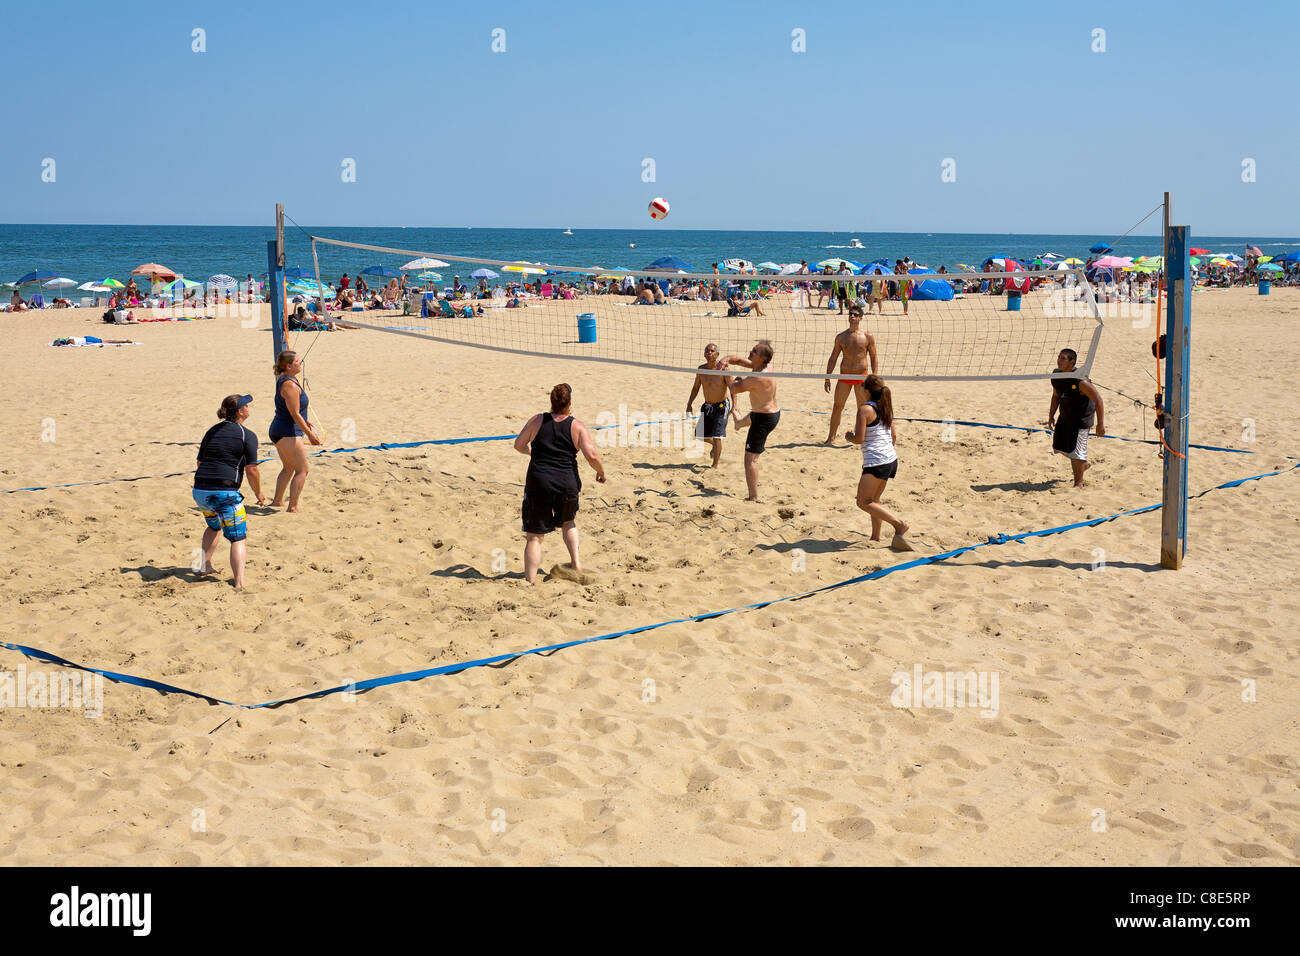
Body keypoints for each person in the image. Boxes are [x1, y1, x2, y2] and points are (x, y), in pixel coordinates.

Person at [514, 383, 606, 583]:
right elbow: (592, 456)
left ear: (551, 402)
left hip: (539, 482)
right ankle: (576, 564)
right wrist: (601, 472)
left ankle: (529, 581)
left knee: (534, 537)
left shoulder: (537, 420)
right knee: (568, 523)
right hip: (566, 482)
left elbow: (519, 445)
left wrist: (533, 452)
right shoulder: (578, 426)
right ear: (570, 404)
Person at [193, 394, 266, 588]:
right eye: (246, 405)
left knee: (214, 526)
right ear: (240, 412)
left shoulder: (212, 431)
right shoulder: (247, 435)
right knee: (238, 537)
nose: (249, 407)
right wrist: (259, 493)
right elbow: (252, 470)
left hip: (200, 490)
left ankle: (203, 567)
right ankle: (240, 581)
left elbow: (200, 462)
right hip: (224, 492)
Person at [845, 375, 912, 551]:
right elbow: (894, 436)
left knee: (863, 502)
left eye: (862, 387)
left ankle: (899, 524)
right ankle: (875, 537)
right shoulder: (885, 407)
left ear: (866, 390)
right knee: (874, 500)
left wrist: (849, 436)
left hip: (877, 462)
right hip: (891, 459)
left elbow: (859, 439)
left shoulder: (864, 410)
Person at [723, 341, 780, 502]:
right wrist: (725, 360)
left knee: (750, 459)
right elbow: (739, 360)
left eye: (754, 351)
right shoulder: (761, 366)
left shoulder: (757, 376)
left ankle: (753, 497)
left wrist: (729, 375)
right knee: (748, 419)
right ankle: (739, 423)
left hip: (764, 419)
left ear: (762, 358)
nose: (751, 351)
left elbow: (734, 389)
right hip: (766, 412)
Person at [268, 350, 321, 512]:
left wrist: (305, 421)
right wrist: (310, 435)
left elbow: (293, 410)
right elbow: (294, 413)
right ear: (289, 366)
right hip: (287, 432)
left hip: (281, 429)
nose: (301, 363)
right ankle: (293, 506)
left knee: (289, 467)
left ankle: (277, 501)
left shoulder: (290, 379)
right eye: (298, 361)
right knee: (302, 470)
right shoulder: (289, 384)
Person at [1048, 348, 1105, 488]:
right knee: (1061, 448)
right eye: (1059, 357)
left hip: (1081, 420)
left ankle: (1078, 484)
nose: (1059, 361)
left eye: (1063, 358)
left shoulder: (1081, 381)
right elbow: (1055, 396)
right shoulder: (1057, 376)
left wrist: (1100, 424)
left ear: (1072, 362)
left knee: (1076, 452)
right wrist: (1051, 416)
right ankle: (1083, 465)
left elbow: (1098, 401)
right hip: (1065, 416)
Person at [823, 304, 879, 444]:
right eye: (850, 314)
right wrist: (827, 377)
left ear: (860, 318)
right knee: (837, 406)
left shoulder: (868, 336)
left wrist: (874, 376)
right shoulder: (841, 337)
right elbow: (833, 357)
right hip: (845, 375)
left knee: (863, 409)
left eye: (854, 314)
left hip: (861, 377)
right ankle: (831, 438)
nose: (851, 316)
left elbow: (873, 357)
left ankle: (863, 437)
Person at [686, 343, 733, 468]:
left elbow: (732, 388)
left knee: (717, 436)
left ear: (717, 354)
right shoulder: (701, 369)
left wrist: (735, 406)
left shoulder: (724, 369)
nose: (709, 353)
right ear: (704, 354)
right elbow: (696, 388)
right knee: (699, 435)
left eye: (712, 351)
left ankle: (715, 465)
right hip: (708, 406)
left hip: (722, 406)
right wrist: (689, 404)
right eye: (707, 351)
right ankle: (714, 445)